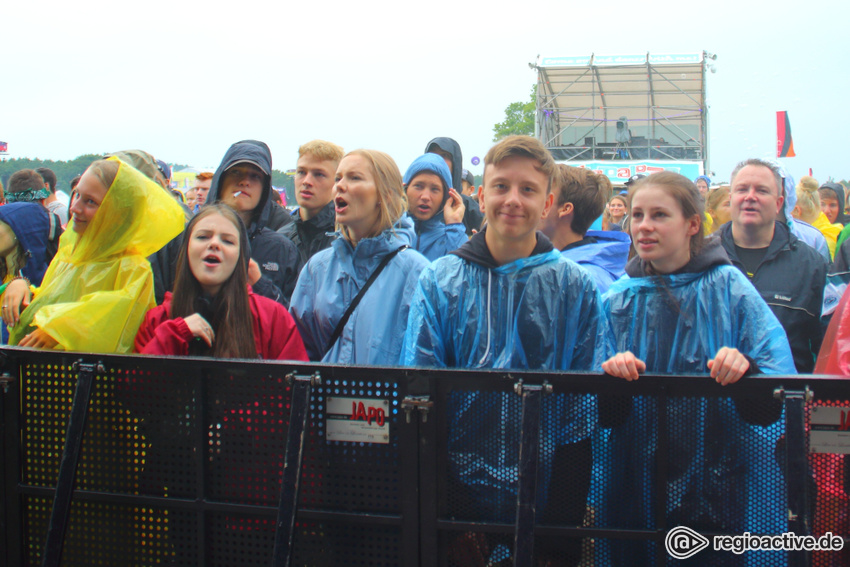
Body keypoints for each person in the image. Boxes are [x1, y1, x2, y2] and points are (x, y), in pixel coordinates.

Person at [403, 136, 607, 566]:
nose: (513, 200)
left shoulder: (576, 287)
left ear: (548, 201)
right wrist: (452, 511)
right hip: (454, 509)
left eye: (528, 189)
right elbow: (422, 397)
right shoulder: (441, 281)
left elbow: (580, 416)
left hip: (547, 501)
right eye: (501, 187)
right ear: (482, 193)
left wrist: (558, 528)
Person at [600, 171, 795, 565]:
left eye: (659, 215)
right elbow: (599, 413)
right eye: (637, 215)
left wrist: (748, 370)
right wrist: (611, 377)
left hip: (720, 485)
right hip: (638, 484)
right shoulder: (617, 299)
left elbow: (776, 393)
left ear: (692, 224)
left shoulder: (728, 287)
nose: (644, 226)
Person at [1, 157, 184, 352]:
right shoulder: (70, 255)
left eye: (90, 202)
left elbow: (113, 319)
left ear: (117, 213)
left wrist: (61, 327)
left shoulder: (131, 267)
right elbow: (51, 301)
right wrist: (21, 289)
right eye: (77, 195)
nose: (74, 208)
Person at [290, 149, 429, 364]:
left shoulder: (417, 272)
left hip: (389, 397)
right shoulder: (316, 268)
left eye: (354, 178)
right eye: (338, 178)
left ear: (385, 195)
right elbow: (297, 353)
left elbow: (424, 360)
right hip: (324, 396)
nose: (340, 186)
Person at [135, 204, 308, 360]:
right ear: (185, 249)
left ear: (242, 256)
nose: (214, 244)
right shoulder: (158, 319)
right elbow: (136, 388)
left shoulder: (273, 318)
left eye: (227, 241)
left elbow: (293, 389)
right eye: (203, 237)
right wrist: (175, 333)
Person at [719, 158, 828, 373]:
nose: (750, 197)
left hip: (787, 398)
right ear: (731, 199)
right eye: (742, 189)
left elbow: (824, 347)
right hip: (714, 398)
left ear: (779, 203)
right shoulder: (702, 258)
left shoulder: (811, 265)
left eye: (761, 190)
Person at [206, 140, 302, 306]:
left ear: (265, 189)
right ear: (220, 179)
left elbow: (292, 320)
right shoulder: (187, 240)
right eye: (235, 172)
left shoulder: (282, 250)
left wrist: (260, 284)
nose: (244, 182)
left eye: (255, 176)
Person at [540, 164, 630, 293]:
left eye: (544, 197)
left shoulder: (578, 279)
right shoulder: (565, 269)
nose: (530, 204)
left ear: (565, 209)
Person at [278, 140, 343, 264]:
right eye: (301, 172)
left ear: (337, 182)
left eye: (318, 174)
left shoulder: (347, 239)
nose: (306, 181)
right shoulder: (280, 239)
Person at [403, 153, 467, 261]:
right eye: (418, 186)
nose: (425, 197)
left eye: (435, 189)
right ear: (405, 189)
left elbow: (461, 272)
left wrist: (454, 225)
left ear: (446, 196)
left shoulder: (452, 238)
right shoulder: (388, 233)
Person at [425, 137, 484, 235]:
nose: (438, 159)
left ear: (454, 162)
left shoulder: (469, 208)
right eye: (433, 154)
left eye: (445, 155)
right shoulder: (415, 201)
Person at [793, 176, 842, 259]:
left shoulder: (789, 233)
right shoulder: (833, 232)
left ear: (797, 210)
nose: (827, 211)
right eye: (823, 204)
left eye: (833, 205)